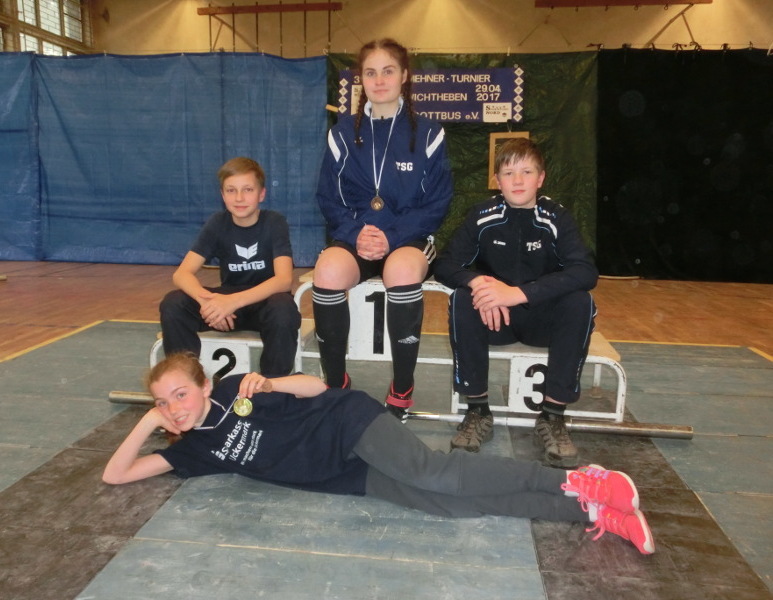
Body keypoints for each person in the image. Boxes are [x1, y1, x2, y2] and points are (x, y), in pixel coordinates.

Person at [102, 353, 654, 555]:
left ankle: (579, 480)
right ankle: (588, 509)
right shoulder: (195, 451)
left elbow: (317, 388)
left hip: (347, 424)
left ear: (203, 385)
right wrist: (147, 420)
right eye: (163, 403)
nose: (174, 408)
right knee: (449, 504)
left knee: (433, 472)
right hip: (344, 476)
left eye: (180, 394)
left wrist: (270, 383)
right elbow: (116, 475)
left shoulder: (235, 390)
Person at [311, 38, 453, 420]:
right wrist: (355, 232)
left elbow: (437, 202)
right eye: (370, 72)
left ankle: (402, 388)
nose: (379, 80)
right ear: (361, 79)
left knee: (402, 270)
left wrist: (391, 236)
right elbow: (328, 196)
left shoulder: (428, 133)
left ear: (404, 76)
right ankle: (336, 384)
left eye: (388, 71)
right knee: (327, 271)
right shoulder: (342, 133)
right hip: (356, 236)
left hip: (407, 238)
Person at [433, 138, 599, 463]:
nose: (518, 180)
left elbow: (585, 271)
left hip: (542, 321)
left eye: (527, 172)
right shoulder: (482, 215)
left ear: (541, 178)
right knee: (463, 299)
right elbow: (445, 265)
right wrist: (479, 283)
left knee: (580, 302)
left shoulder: (556, 217)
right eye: (509, 173)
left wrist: (519, 294)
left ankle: (552, 416)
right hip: (497, 320)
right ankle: (477, 410)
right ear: (497, 180)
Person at [159, 157, 301, 377]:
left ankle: (272, 385)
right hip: (227, 307)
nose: (239, 198)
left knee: (284, 308)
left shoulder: (274, 222)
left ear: (262, 194)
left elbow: (283, 280)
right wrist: (209, 304)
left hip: (264, 304)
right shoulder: (218, 223)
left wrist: (232, 302)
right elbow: (182, 274)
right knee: (173, 303)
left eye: (248, 190)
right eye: (231, 190)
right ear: (223, 195)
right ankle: (186, 380)